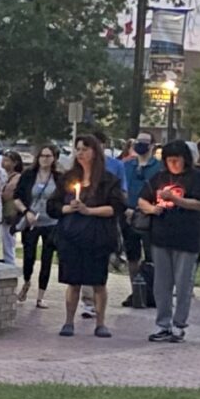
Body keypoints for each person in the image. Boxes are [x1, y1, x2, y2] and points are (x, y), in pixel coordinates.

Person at [48, 135, 125, 339]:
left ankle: (100, 323)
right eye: (78, 149)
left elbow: (116, 207)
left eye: (85, 149)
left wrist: (89, 210)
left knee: (98, 282)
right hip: (72, 235)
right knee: (73, 281)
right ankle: (68, 321)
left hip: (97, 236)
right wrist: (68, 207)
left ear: (94, 152)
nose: (80, 152)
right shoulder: (68, 178)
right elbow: (52, 206)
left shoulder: (108, 180)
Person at [138, 141, 200, 343]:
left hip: (187, 237)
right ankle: (163, 324)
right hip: (160, 237)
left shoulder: (197, 178)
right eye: (169, 160)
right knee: (161, 284)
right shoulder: (159, 177)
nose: (173, 164)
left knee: (184, 283)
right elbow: (143, 199)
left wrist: (176, 200)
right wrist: (150, 209)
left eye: (176, 160)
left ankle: (179, 324)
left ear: (185, 159)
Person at [13, 144, 61, 308]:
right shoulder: (28, 175)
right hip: (31, 221)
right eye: (42, 156)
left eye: (48, 156)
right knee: (28, 256)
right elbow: (17, 197)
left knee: (47, 258)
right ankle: (26, 282)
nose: (45, 159)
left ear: (54, 158)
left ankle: (41, 296)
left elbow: (63, 199)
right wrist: (26, 212)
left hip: (51, 222)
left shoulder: (59, 177)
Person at [120, 131, 162, 306]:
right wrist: (126, 208)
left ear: (152, 145)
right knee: (132, 256)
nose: (141, 145)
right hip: (128, 215)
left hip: (149, 216)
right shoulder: (127, 165)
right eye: (138, 141)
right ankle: (136, 292)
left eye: (145, 142)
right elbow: (121, 187)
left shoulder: (158, 167)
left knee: (153, 256)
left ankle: (153, 292)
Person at [0, 150, 23, 266]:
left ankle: (10, 263)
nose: (3, 163)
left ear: (15, 163)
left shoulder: (16, 177)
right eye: (3, 160)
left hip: (10, 211)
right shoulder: (2, 175)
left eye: (7, 160)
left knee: (8, 240)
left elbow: (8, 194)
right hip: (2, 211)